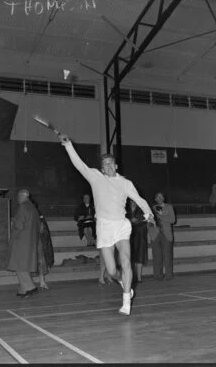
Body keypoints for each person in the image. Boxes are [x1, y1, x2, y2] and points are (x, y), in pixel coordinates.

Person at [58, 133, 155, 315]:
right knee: (111, 271)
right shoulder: (95, 177)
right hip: (103, 227)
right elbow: (79, 165)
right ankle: (122, 283)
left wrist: (149, 213)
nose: (108, 166)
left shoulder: (125, 183)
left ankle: (126, 301)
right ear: (101, 169)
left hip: (121, 226)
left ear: (116, 166)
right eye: (105, 164)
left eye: (111, 163)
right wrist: (69, 145)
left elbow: (139, 199)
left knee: (126, 261)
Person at [7, 189, 40, 298]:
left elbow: (18, 226)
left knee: (20, 267)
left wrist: (11, 237)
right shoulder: (33, 208)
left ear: (23, 196)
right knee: (23, 267)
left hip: (21, 242)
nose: (17, 199)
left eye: (18, 196)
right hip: (30, 241)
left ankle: (30, 288)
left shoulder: (23, 207)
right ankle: (22, 289)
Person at [151, 192, 176, 281]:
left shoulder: (169, 207)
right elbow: (149, 222)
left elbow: (173, 220)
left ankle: (169, 275)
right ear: (155, 199)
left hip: (166, 234)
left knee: (167, 255)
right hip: (155, 234)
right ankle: (158, 275)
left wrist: (161, 217)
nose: (159, 198)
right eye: (157, 197)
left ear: (164, 198)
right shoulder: (152, 208)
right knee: (157, 256)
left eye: (161, 196)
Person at [127, 199, 148, 283]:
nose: (133, 203)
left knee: (139, 256)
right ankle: (131, 277)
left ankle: (139, 277)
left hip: (139, 236)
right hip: (128, 236)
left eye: (134, 201)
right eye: (131, 201)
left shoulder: (142, 210)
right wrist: (129, 221)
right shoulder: (125, 210)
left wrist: (137, 221)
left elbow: (146, 221)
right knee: (129, 257)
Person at [38, 215, 54, 290]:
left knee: (41, 262)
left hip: (39, 242)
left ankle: (42, 282)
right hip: (34, 243)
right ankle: (41, 282)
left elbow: (41, 231)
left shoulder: (40, 219)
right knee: (40, 262)